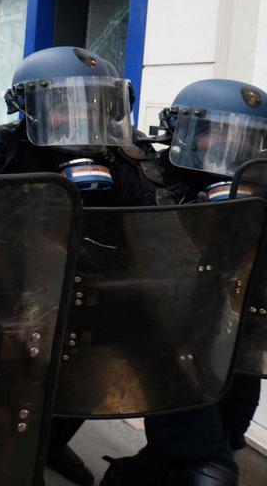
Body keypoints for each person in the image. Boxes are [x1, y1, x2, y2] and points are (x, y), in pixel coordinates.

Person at [0, 45, 160, 486]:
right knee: (6, 398)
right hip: (4, 299)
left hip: (87, 300)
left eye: (94, 104)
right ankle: (6, 459)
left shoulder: (122, 158)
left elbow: (152, 226)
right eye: (62, 105)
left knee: (87, 386)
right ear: (28, 105)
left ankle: (51, 444)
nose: (78, 116)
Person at [100, 78, 267, 486]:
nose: (232, 150)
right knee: (209, 469)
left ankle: (130, 477)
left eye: (247, 140)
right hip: (159, 337)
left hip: (229, 338)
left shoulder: (254, 188)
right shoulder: (141, 176)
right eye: (218, 137)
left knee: (225, 435)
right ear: (183, 132)